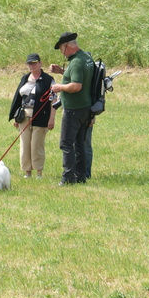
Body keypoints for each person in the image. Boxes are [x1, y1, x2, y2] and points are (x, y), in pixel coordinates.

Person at [49, 32, 94, 185]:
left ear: (67, 46)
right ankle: (81, 175)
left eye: (61, 49)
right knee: (80, 143)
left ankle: (68, 177)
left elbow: (76, 86)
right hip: (85, 108)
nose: (62, 52)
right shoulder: (86, 58)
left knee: (66, 143)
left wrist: (59, 87)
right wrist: (62, 72)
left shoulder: (75, 62)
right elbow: (79, 77)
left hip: (73, 109)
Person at [8, 53, 57, 178]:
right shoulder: (25, 78)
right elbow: (18, 99)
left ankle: (39, 171)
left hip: (41, 116)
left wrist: (51, 119)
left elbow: (54, 100)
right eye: (29, 63)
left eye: (34, 63)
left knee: (37, 145)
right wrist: (16, 117)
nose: (32, 65)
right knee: (25, 145)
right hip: (24, 116)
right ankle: (27, 171)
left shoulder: (48, 79)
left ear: (40, 63)